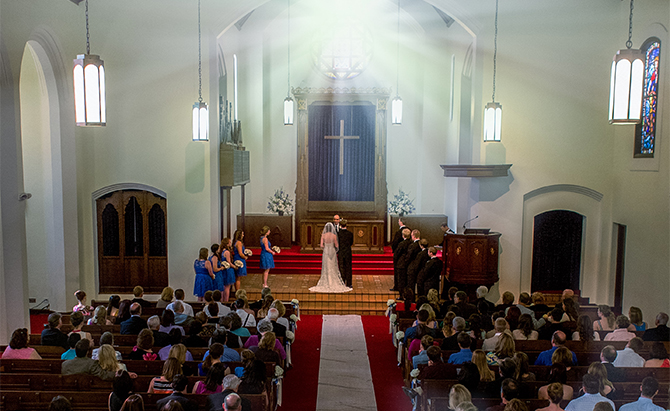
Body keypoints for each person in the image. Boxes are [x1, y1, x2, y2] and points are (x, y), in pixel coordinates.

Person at [309, 222, 352, 293]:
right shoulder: (334, 235)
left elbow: (321, 245)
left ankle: (327, 279)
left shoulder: (323, 235)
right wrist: (334, 248)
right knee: (333, 266)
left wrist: (326, 247)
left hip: (326, 251)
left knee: (326, 266)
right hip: (332, 251)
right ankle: (333, 280)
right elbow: (337, 245)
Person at [337, 219, 354, 287]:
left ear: (340, 225)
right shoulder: (350, 234)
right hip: (348, 252)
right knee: (348, 267)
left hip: (341, 252)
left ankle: (342, 282)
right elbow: (351, 243)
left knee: (341, 267)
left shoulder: (338, 234)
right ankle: (349, 283)